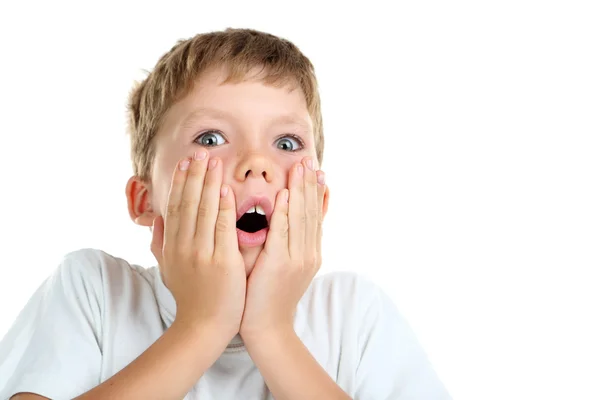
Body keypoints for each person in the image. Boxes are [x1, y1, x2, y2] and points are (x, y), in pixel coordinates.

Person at [0, 28, 450, 399]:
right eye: (211, 138)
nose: (258, 163)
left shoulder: (354, 314)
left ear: (321, 201)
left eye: (287, 143)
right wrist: (202, 325)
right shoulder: (93, 290)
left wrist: (272, 331)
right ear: (145, 199)